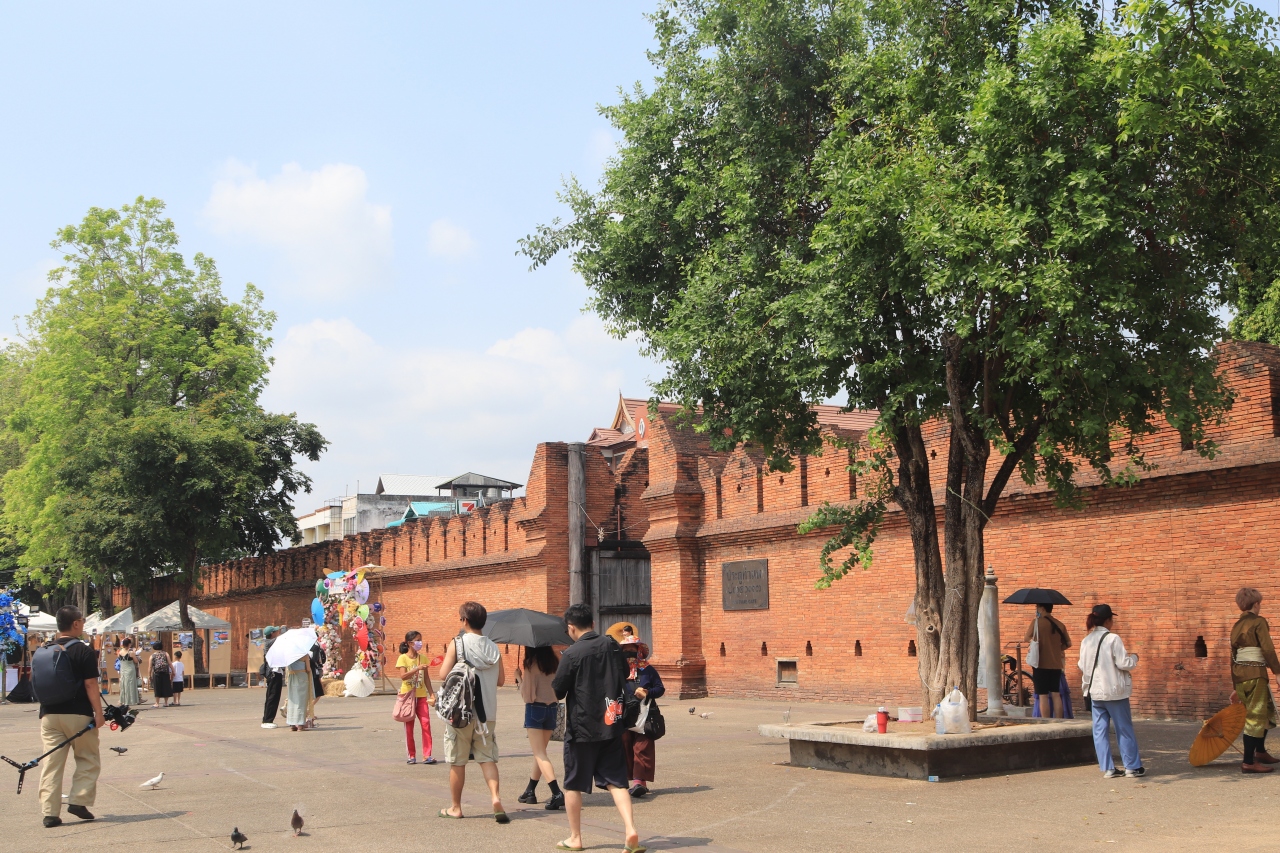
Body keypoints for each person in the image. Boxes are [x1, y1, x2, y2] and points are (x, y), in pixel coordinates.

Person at [553, 603, 644, 853]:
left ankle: (575, 837)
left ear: (571, 627)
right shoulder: (612, 646)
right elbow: (625, 673)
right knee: (617, 782)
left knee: (573, 784)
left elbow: (559, 690)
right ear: (593, 624)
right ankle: (630, 829)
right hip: (611, 722)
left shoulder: (571, 654)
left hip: (581, 727)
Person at [436, 601, 507, 821]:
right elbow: (501, 680)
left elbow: (442, 674)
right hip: (487, 714)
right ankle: (495, 797)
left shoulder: (458, 644)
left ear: (465, 621)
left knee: (457, 761)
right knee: (487, 758)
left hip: (461, 713)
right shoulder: (493, 647)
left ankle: (456, 807)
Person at [36, 606, 104, 828]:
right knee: (87, 758)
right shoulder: (83, 650)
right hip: (78, 713)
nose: (83, 624)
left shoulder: (44, 649)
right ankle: (78, 801)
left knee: (51, 764)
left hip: (49, 715)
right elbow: (90, 684)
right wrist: (99, 713)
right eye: (82, 620)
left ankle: (49, 813)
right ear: (75, 624)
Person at [1078, 604, 1144, 779]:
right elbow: (1124, 663)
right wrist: (1134, 658)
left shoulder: (1086, 640)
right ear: (1108, 620)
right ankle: (1131, 767)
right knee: (1124, 728)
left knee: (1099, 731)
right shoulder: (1113, 639)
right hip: (1114, 692)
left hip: (1095, 692)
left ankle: (1108, 768)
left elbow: (1081, 665)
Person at [1230, 587, 1280, 772]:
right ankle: (1248, 762)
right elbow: (1267, 649)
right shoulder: (1259, 622)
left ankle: (1260, 752)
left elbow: (1232, 657)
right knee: (1256, 715)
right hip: (1256, 674)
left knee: (1265, 711)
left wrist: (1235, 685)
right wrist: (1278, 672)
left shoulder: (1236, 626)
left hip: (1241, 675)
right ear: (1256, 604)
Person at [515, 645, 564, 809]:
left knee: (540, 754)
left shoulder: (531, 664)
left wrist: (519, 678)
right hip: (552, 709)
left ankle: (556, 792)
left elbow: (527, 695)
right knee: (541, 752)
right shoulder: (554, 663)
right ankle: (530, 790)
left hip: (535, 708)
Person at [619, 633, 664, 797]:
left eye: (632, 650)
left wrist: (647, 692)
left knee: (642, 746)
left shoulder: (648, 670)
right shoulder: (617, 670)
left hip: (645, 714)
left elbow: (660, 689)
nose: (629, 653)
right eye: (625, 650)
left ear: (639, 651)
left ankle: (639, 782)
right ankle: (628, 779)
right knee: (625, 745)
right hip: (623, 713)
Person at [394, 630, 436, 764]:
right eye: (417, 640)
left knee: (426, 724)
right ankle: (411, 755)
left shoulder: (423, 658)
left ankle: (427, 755)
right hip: (408, 696)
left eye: (420, 640)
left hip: (421, 695)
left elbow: (427, 678)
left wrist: (432, 693)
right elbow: (403, 676)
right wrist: (417, 669)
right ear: (410, 643)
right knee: (409, 727)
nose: (420, 643)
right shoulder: (403, 658)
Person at [1024, 603, 1071, 718]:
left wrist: (1035, 642)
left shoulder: (1036, 622)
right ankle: (1059, 720)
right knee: (1056, 693)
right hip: (1056, 664)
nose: (1036, 610)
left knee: (1043, 695)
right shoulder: (1060, 624)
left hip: (1040, 663)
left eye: (1037, 607)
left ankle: (1046, 721)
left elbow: (1026, 638)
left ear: (1042, 608)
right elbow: (1068, 643)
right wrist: (1056, 649)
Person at [261, 627, 283, 729]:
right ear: (272, 633)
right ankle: (267, 720)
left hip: (276, 672)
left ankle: (268, 719)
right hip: (273, 673)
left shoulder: (272, 642)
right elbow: (281, 638)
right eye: (276, 631)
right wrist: (284, 629)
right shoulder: (269, 642)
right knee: (272, 697)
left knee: (274, 697)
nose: (278, 632)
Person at [285, 650, 313, 732]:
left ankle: (292, 725)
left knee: (292, 700)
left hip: (292, 678)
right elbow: (308, 669)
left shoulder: (288, 655)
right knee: (301, 701)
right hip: (302, 677)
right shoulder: (304, 655)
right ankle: (300, 725)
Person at [306, 640, 325, 729]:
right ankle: (308, 711)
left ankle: (309, 712)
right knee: (318, 693)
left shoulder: (303, 646)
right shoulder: (315, 646)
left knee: (310, 694)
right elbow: (315, 660)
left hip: (305, 674)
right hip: (313, 672)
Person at [117, 637, 141, 707]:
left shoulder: (120, 652)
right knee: (130, 685)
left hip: (123, 670)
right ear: (129, 644)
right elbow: (136, 661)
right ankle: (128, 701)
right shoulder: (130, 652)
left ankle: (123, 700)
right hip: (130, 669)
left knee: (124, 685)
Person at [149, 642, 173, 708]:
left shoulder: (152, 656)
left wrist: (149, 675)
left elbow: (150, 667)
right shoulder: (166, 654)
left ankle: (157, 703)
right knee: (166, 687)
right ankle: (166, 703)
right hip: (165, 673)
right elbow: (170, 663)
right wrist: (173, 671)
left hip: (156, 673)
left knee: (157, 688)